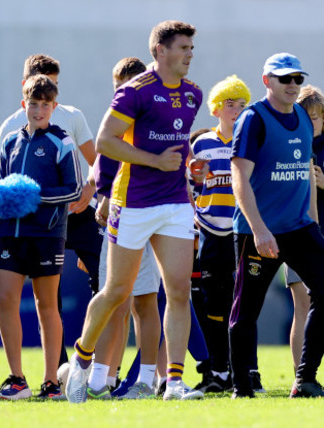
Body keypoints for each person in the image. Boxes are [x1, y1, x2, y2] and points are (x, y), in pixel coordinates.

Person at [66, 20, 204, 403]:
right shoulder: (134, 92)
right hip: (134, 202)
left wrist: (189, 164)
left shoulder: (193, 94)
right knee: (116, 292)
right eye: (183, 48)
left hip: (175, 202)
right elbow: (106, 142)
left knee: (178, 291)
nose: (190, 54)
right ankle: (80, 364)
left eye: (192, 48)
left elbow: (177, 145)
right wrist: (153, 161)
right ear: (159, 50)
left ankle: (172, 382)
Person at [0, 53, 101, 368]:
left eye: (53, 86)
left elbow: (97, 164)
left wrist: (89, 191)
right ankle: (55, 369)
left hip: (74, 214)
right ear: (24, 89)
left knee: (107, 278)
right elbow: (2, 178)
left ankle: (98, 362)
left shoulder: (70, 120)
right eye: (36, 95)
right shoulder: (10, 129)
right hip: (25, 225)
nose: (45, 96)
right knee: (36, 299)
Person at [229, 53, 324, 398]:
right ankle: (242, 388)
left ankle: (305, 379)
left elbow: (305, 171)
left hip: (299, 227)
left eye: (298, 78)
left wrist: (312, 220)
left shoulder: (301, 115)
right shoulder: (253, 118)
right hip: (260, 231)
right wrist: (258, 229)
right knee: (246, 310)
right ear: (267, 80)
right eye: (285, 79)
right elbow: (239, 176)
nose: (293, 85)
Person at [0, 74, 82, 400]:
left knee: (47, 305)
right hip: (11, 235)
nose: (39, 109)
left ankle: (50, 382)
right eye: (33, 103)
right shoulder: (8, 141)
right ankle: (17, 379)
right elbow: (1, 184)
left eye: (45, 104)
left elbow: (73, 188)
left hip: (47, 234)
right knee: (6, 301)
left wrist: (33, 196)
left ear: (54, 107)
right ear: (24, 104)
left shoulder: (62, 141)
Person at [89, 57, 163, 400]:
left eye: (131, 85)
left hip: (153, 214)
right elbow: (102, 164)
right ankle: (100, 379)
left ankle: (149, 379)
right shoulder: (114, 117)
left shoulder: (158, 115)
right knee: (114, 300)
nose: (125, 92)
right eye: (120, 86)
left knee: (145, 302)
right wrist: (103, 195)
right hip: (121, 216)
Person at [190, 75, 253, 393]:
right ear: (216, 108)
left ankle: (249, 371)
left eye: (242, 105)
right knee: (213, 304)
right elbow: (192, 186)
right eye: (230, 104)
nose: (237, 110)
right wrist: (195, 179)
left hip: (243, 230)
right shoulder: (201, 144)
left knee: (244, 303)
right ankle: (218, 371)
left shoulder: (252, 141)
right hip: (211, 231)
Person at [284, 85, 324, 374]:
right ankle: (301, 376)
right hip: (297, 234)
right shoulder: (285, 144)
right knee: (302, 304)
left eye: (317, 117)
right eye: (305, 116)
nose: (312, 123)